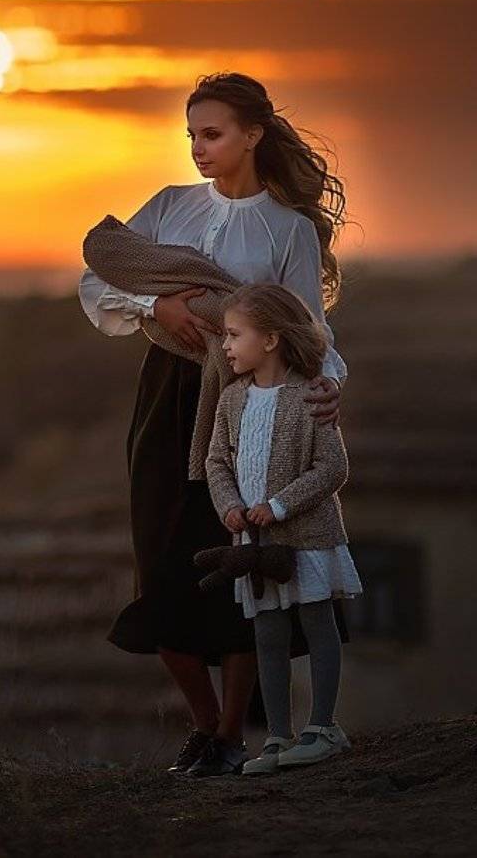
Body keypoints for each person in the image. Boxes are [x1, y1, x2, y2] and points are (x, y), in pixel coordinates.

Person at [77, 71, 352, 778]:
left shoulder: (287, 228)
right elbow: (100, 275)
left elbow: (309, 330)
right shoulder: (170, 207)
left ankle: (231, 734)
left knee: (238, 562)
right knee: (162, 562)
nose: (198, 147)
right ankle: (205, 725)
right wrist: (156, 309)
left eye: (213, 132)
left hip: (250, 402)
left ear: (253, 133)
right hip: (166, 397)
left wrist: (326, 387)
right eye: (191, 134)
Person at [194, 283, 364, 775]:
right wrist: (229, 507)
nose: (224, 346)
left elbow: (332, 468)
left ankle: (323, 728)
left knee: (316, 623)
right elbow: (216, 462)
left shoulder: (311, 395)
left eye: (233, 335)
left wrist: (280, 505)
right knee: (266, 636)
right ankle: (278, 737)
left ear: (269, 339)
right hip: (253, 545)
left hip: (306, 538)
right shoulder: (230, 399)